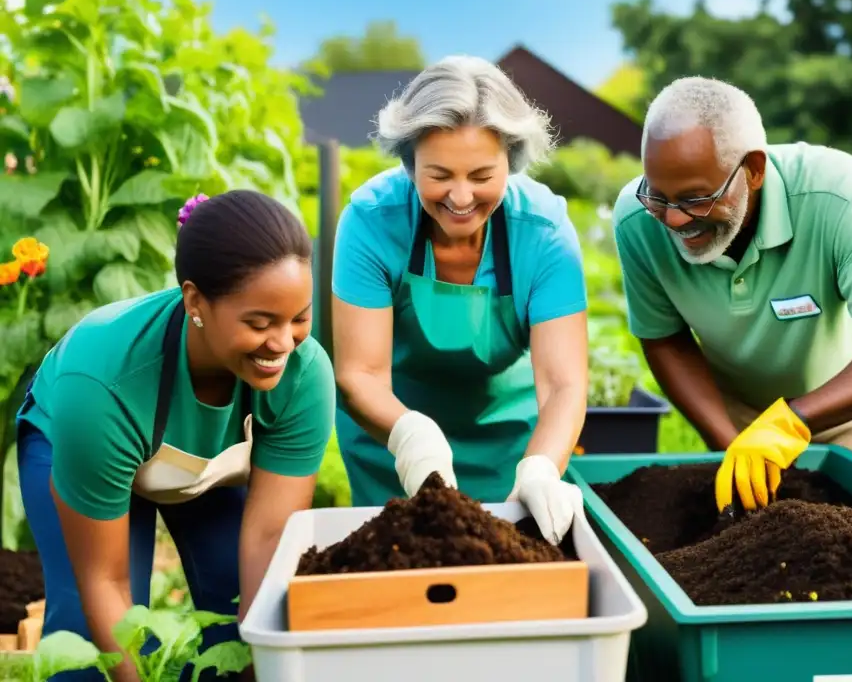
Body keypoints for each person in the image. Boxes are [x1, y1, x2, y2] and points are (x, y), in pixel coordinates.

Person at [16, 190, 335, 682]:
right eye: (259, 322)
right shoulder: (104, 382)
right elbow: (105, 578)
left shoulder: (304, 375)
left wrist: (258, 667)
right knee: (91, 646)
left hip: (205, 468)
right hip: (81, 439)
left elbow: (271, 538)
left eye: (299, 318)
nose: (282, 344)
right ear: (195, 301)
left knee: (240, 616)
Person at [611, 76, 852, 514]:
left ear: (753, 170)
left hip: (849, 408)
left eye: (696, 198)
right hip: (734, 411)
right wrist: (728, 442)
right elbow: (664, 339)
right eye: (659, 196)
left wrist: (791, 421)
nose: (674, 220)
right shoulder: (638, 219)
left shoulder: (837, 194)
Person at [331, 54, 588, 545]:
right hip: (393, 438)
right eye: (440, 175)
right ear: (409, 163)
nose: (462, 196)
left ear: (510, 162)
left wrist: (540, 468)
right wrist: (413, 439)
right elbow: (359, 374)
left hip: (506, 442)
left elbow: (563, 384)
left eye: (481, 175)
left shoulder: (544, 231)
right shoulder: (371, 220)